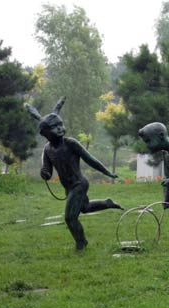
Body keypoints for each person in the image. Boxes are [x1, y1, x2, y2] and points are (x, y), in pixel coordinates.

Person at [27, 97, 122, 250]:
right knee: (84, 208)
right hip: (68, 188)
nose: (59, 129)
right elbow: (47, 171)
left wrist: (108, 173)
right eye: (54, 127)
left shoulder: (71, 143)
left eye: (60, 125)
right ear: (44, 133)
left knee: (70, 217)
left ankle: (81, 242)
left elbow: (91, 160)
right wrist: (44, 173)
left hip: (79, 184)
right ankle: (107, 203)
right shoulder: (47, 150)